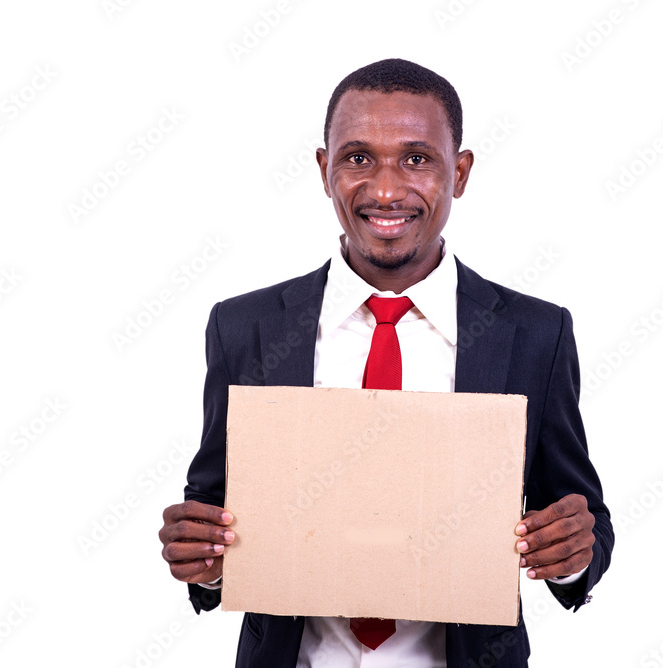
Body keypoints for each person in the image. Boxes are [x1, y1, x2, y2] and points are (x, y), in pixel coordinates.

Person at [158, 58, 613, 667]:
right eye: (357, 158)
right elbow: (214, 508)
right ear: (325, 170)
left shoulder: (534, 333)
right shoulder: (248, 328)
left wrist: (575, 554)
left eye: (417, 159)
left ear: (461, 171)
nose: (386, 190)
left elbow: (581, 517)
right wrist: (205, 564)